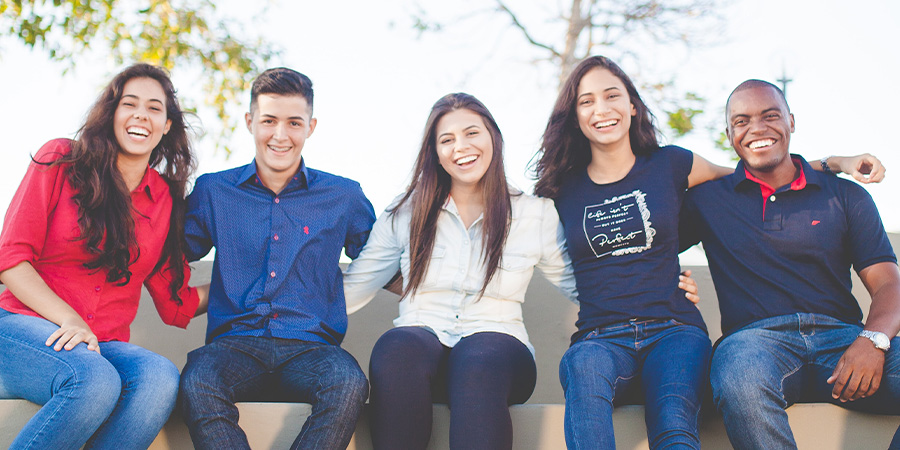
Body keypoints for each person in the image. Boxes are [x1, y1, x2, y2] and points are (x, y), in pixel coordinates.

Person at [531, 56, 882, 449]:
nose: (602, 108)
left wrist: (833, 163)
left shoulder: (673, 164)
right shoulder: (563, 188)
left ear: (633, 105)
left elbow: (754, 171)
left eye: (613, 95)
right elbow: (564, 255)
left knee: (674, 422)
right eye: (587, 101)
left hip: (685, 330)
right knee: (586, 370)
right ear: (574, 114)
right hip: (628, 338)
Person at [341, 92, 699, 450]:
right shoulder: (406, 212)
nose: (460, 147)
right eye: (446, 140)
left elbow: (588, 285)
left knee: (477, 359)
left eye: (471, 133)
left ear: (493, 138)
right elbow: (356, 285)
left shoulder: (534, 214)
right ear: (434, 152)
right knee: (396, 347)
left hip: (498, 347)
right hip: (421, 345)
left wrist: (661, 287)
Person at [680, 79, 900, 450]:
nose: (757, 129)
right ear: (730, 133)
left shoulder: (845, 195)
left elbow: (888, 284)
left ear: (791, 122)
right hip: (755, 344)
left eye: (770, 116)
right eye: (742, 121)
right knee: (739, 378)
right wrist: (670, 279)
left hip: (844, 339)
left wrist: (873, 340)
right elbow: (645, 248)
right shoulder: (707, 200)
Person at [0, 63, 204, 449]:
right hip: (19, 326)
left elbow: (175, 301)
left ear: (166, 126)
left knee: (160, 378)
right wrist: (69, 319)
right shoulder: (61, 159)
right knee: (94, 381)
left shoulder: (163, 199)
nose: (141, 114)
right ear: (112, 114)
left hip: (100, 344)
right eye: (130, 103)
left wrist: (252, 286)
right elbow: (10, 259)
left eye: (154, 108)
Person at [179, 67, 376, 450]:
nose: (280, 135)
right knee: (197, 380)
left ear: (311, 126)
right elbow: (167, 254)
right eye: (269, 120)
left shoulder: (344, 196)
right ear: (250, 121)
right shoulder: (213, 191)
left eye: (294, 122)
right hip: (234, 344)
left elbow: (383, 261)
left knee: (349, 383)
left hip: (312, 347)